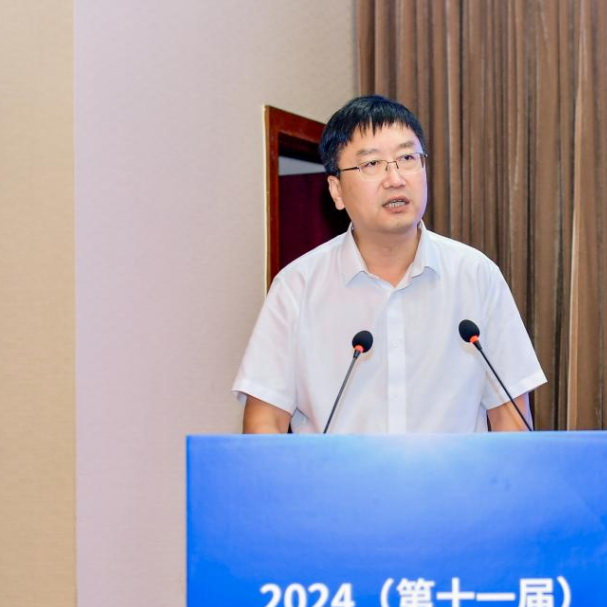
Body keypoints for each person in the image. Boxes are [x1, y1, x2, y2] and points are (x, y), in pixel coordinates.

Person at [233, 95, 545, 434]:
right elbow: (264, 422)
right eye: (371, 164)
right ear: (336, 190)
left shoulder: (477, 276)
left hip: (455, 473)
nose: (395, 178)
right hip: (337, 472)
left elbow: (512, 418)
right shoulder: (297, 287)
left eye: (407, 158)